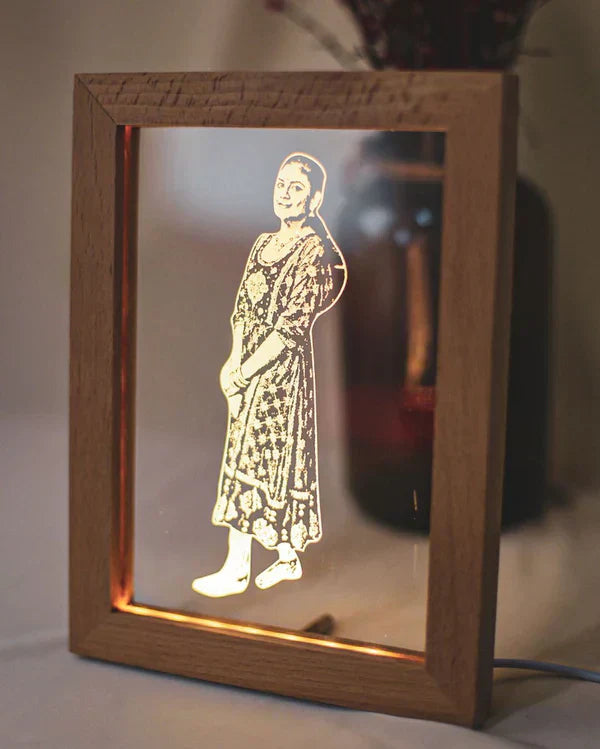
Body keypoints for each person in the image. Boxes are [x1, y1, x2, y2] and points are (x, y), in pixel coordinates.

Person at [192, 152, 347, 597]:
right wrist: (233, 362)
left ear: (315, 199)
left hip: (282, 376)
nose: (285, 194)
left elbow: (291, 327)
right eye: (281, 184)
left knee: (272, 463)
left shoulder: (314, 252)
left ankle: (258, 563)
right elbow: (243, 309)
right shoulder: (262, 243)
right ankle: (261, 561)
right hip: (247, 368)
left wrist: (245, 371)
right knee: (240, 459)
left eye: (297, 187)